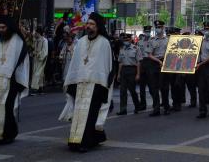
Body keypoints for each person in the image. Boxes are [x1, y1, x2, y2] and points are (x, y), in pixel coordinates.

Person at [60, 12, 113, 152]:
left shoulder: (104, 43)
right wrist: (71, 81)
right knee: (79, 113)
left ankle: (85, 143)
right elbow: (75, 64)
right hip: (80, 83)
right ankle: (75, 140)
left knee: (90, 115)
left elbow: (108, 66)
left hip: (96, 85)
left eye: (92, 24)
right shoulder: (81, 42)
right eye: (88, 24)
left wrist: (105, 86)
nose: (89, 26)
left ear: (98, 27)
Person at [0, 16, 29, 144]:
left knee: (7, 108)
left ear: (9, 27)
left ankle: (8, 134)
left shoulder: (18, 41)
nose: (1, 30)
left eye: (3, 27)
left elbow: (22, 62)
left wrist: (18, 80)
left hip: (11, 81)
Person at [147, 20, 170, 117]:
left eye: (160, 27)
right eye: (157, 27)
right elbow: (149, 55)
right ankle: (156, 108)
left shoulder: (168, 40)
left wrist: (163, 61)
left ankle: (166, 107)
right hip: (154, 63)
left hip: (165, 63)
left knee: (164, 87)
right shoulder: (151, 40)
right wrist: (158, 61)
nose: (158, 29)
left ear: (163, 28)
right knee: (153, 88)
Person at [116, 34, 142, 115]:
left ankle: (137, 106)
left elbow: (138, 62)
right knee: (122, 91)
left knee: (132, 90)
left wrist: (138, 74)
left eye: (127, 40)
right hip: (124, 70)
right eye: (125, 40)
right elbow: (120, 62)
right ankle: (123, 109)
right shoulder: (122, 49)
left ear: (131, 40)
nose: (126, 41)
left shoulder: (136, 48)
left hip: (132, 70)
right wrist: (118, 74)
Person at [31, 26, 48, 94]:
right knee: (38, 73)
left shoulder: (44, 40)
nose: (35, 34)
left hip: (41, 59)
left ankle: (35, 88)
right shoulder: (36, 40)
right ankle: (40, 87)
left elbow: (45, 51)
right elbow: (34, 49)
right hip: (36, 59)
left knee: (37, 74)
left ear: (39, 33)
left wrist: (38, 54)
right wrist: (33, 53)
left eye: (36, 32)